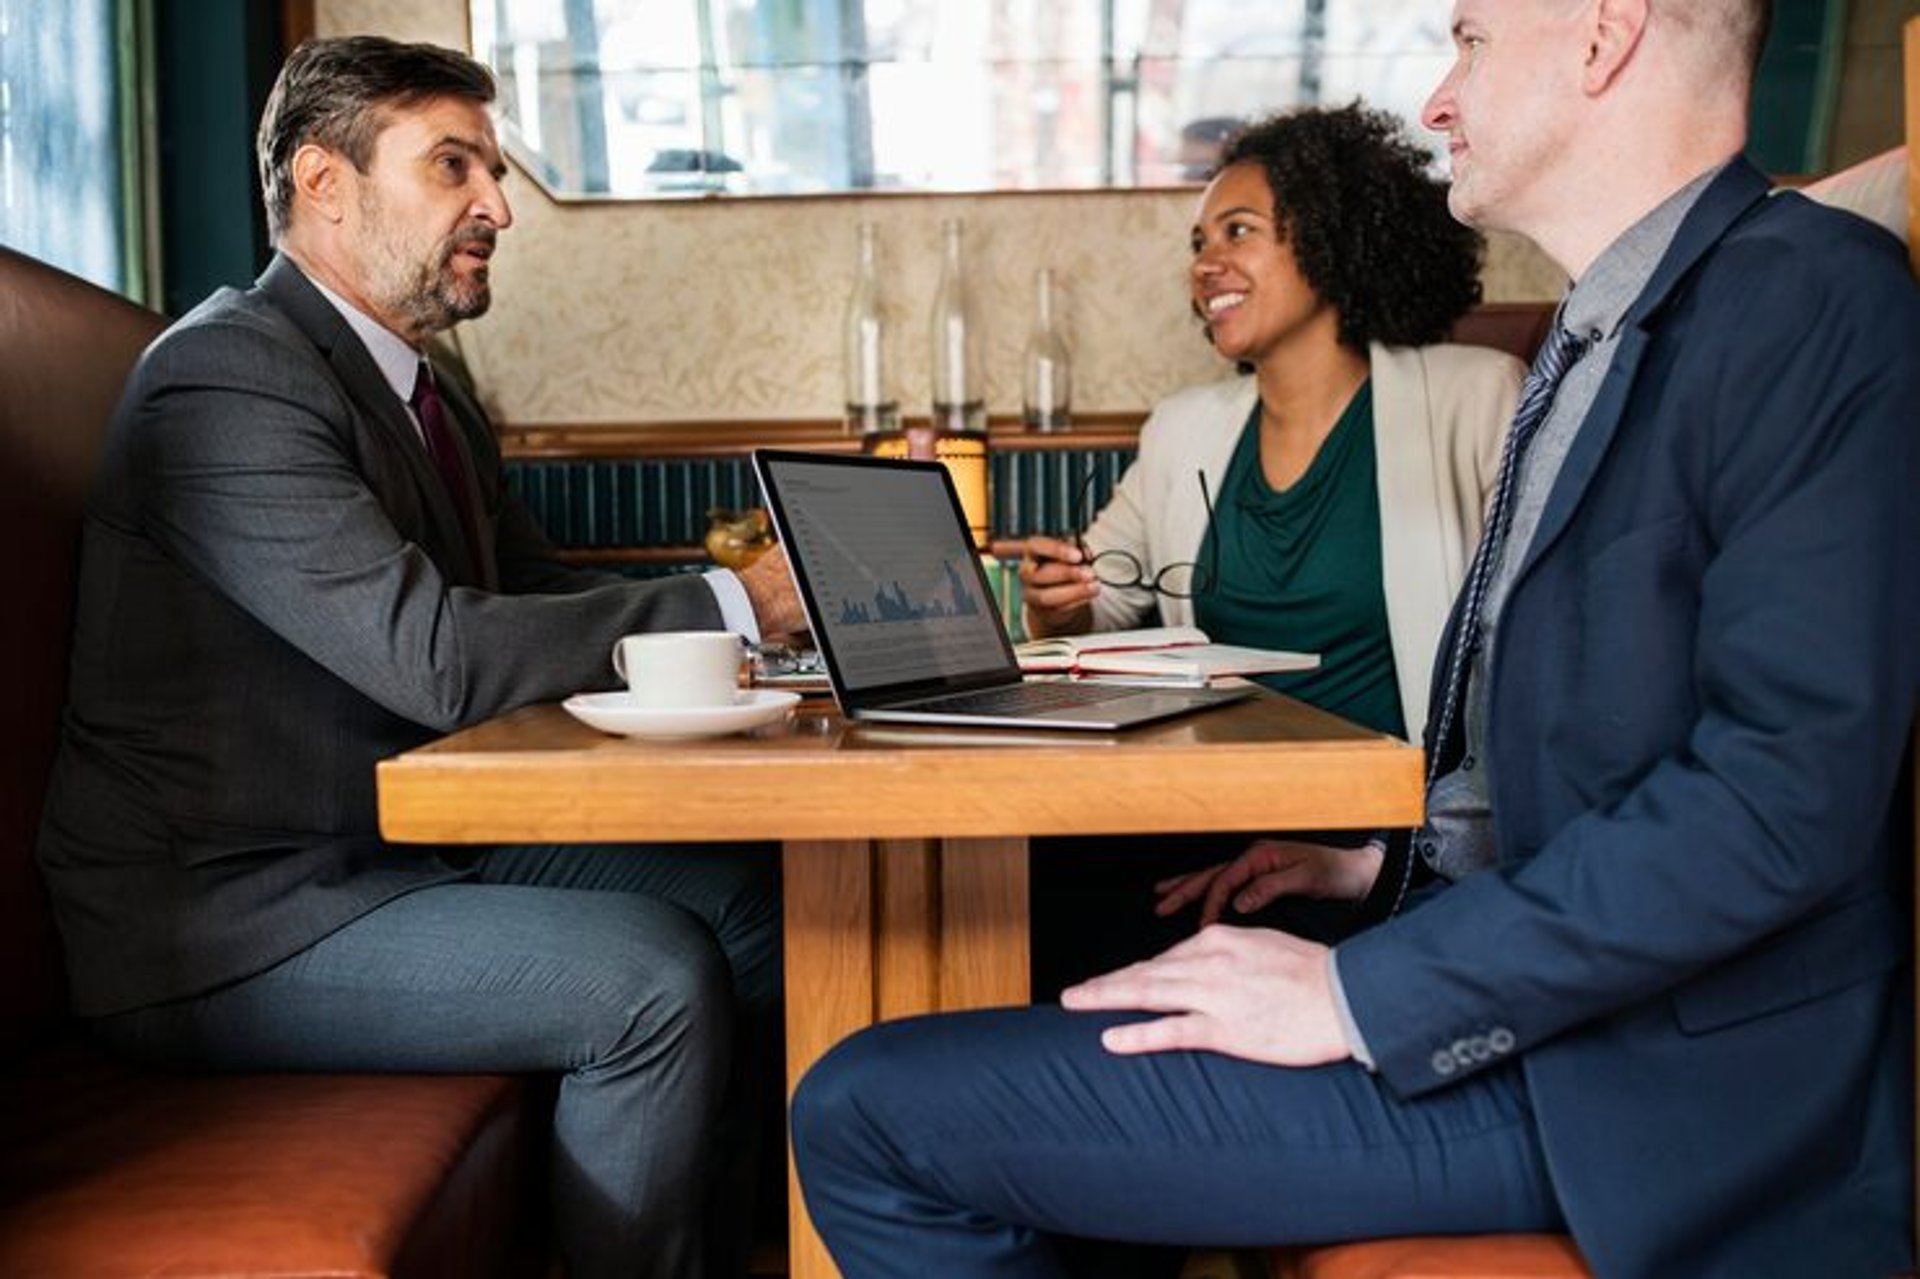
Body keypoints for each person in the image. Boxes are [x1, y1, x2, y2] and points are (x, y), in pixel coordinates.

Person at [791, 1, 1920, 1276]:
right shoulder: (1607, 337)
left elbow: (1780, 799)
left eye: (1472, 44)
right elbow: (1592, 756)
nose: (1439, 101)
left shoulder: (1807, 298)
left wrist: (1353, 994)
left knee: (865, 1110)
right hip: (1554, 1011)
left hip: (1651, 1091)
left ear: (1605, 37)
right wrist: (1377, 867)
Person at [35, 36, 803, 1279]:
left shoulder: (424, 390)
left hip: (394, 833)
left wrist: (749, 625)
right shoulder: (224, 377)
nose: (497, 205)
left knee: (759, 907)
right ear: (323, 183)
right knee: (651, 979)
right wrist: (728, 601)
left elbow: (532, 594)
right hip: (232, 908)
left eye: (490, 170)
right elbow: (435, 656)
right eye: (454, 165)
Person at [1023, 104, 1522, 995]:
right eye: (1198, 240)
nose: (1204, 264)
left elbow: (1525, 662)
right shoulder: (1183, 430)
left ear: (1329, 242)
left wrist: (1383, 848)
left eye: (1239, 231)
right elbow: (1101, 595)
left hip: (1386, 844)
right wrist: (1056, 598)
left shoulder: (1472, 398)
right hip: (1203, 814)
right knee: (1014, 899)